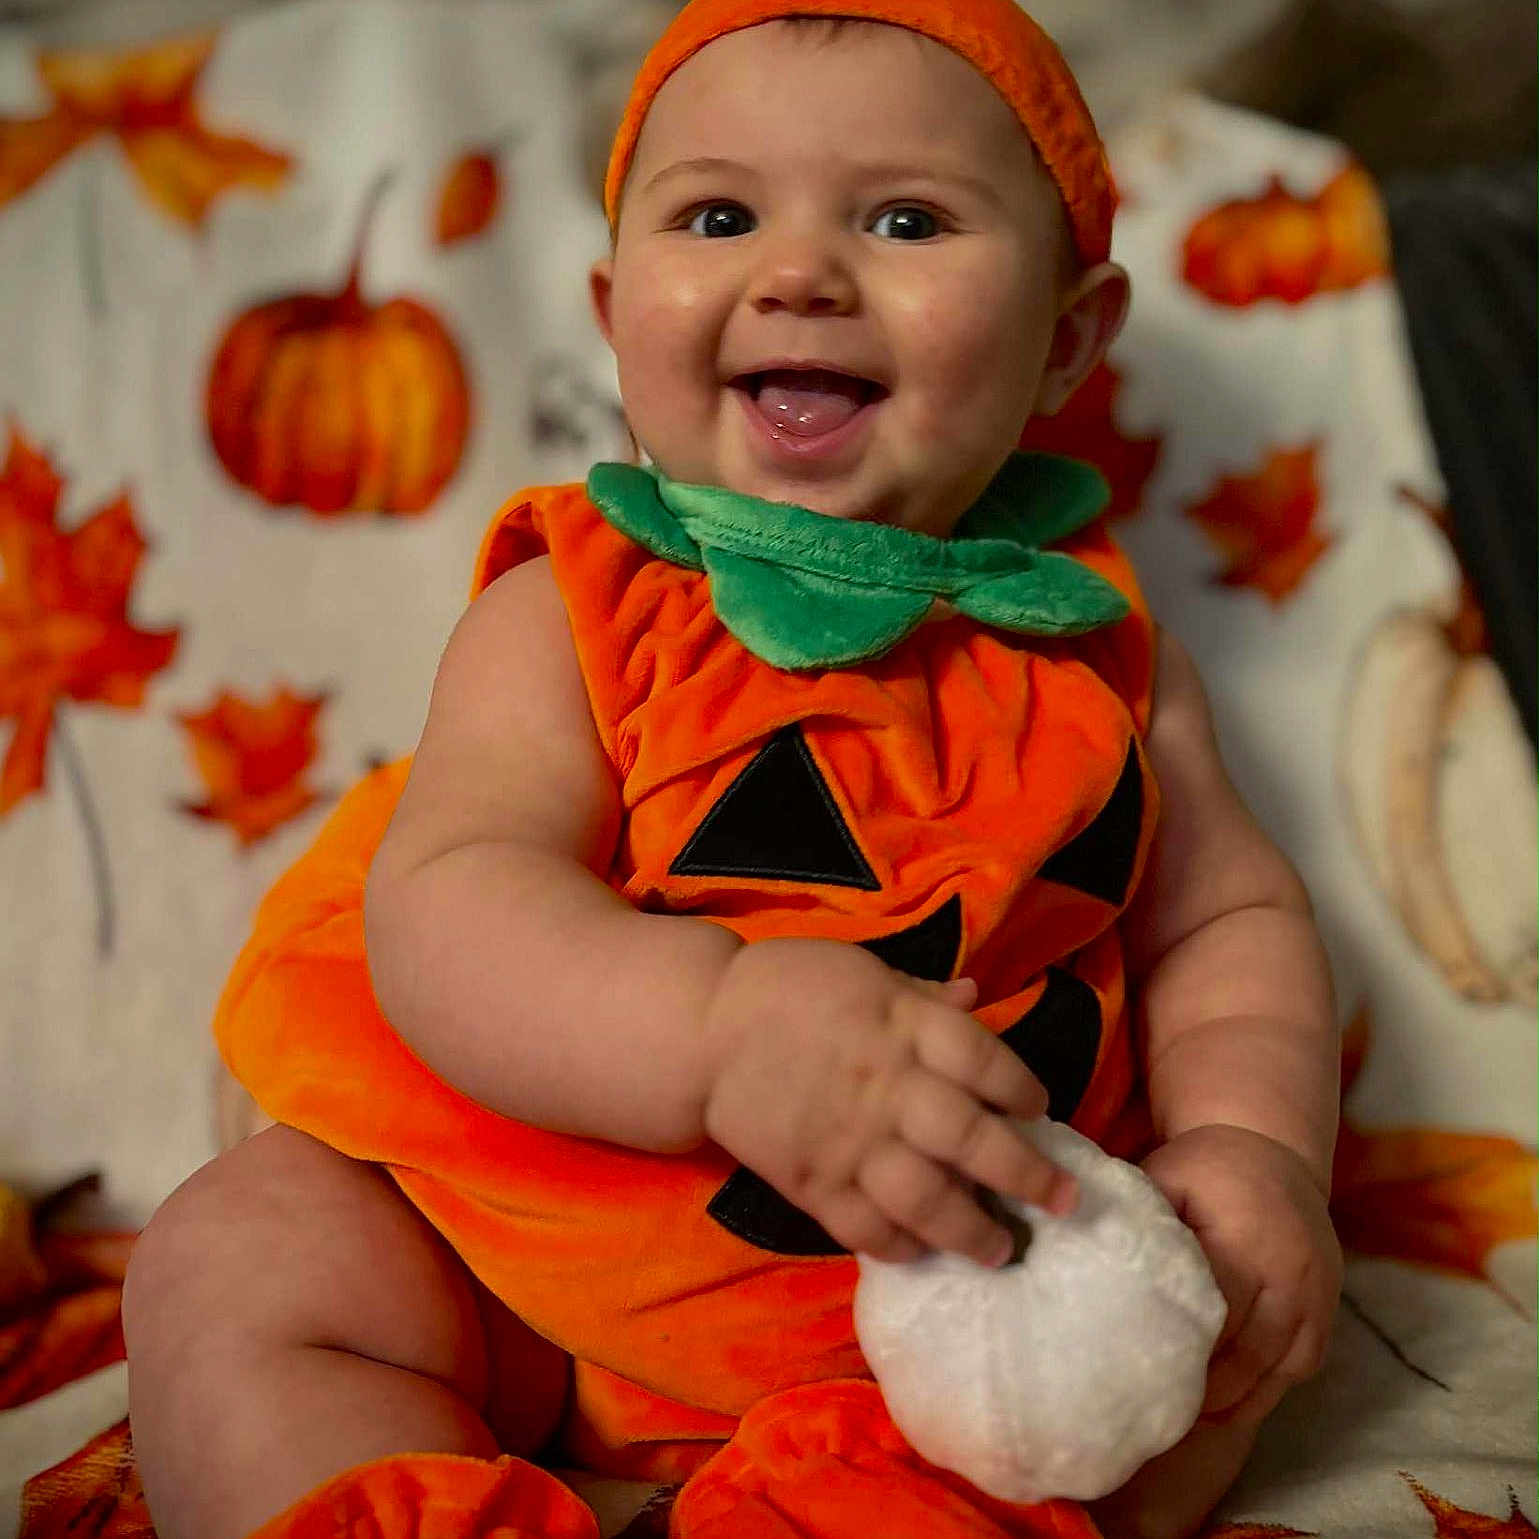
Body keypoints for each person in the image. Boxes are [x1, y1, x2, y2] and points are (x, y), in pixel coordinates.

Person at [121, 3, 1344, 1537]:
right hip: (515, 1250)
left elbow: (1226, 933)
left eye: (905, 219)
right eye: (717, 214)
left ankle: (874, 1502)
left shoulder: (1104, 665)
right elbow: (452, 903)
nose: (801, 271)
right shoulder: (568, 612)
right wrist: (716, 1030)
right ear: (615, 299)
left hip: (935, 1311)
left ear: (1068, 337)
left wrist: (1254, 1149)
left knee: (1197, 1379)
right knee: (240, 1260)